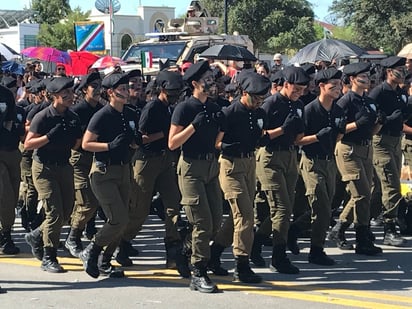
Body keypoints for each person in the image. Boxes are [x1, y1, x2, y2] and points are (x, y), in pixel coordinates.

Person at [115, 70, 190, 277]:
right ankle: (122, 242)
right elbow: (140, 137)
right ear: (163, 89)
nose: (176, 95)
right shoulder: (152, 107)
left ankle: (173, 251)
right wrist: (163, 135)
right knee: (139, 209)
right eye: (173, 91)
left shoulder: (169, 108)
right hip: (146, 160)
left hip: (166, 159)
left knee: (173, 205)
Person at [78, 73, 141, 278]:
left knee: (123, 220)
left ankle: (104, 261)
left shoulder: (130, 113)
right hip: (104, 172)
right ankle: (92, 250)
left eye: (126, 88)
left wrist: (135, 141)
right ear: (110, 93)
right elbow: (87, 143)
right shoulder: (102, 115)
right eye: (121, 89)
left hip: (124, 169)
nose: (125, 92)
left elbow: (134, 140)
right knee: (118, 218)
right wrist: (109, 146)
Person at [169, 60, 222, 293]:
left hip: (211, 165)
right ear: (195, 84)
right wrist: (192, 127)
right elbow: (172, 143)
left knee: (216, 220)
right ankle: (198, 272)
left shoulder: (213, 106)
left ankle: (185, 250)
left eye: (212, 79)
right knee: (202, 221)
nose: (211, 83)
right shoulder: (185, 108)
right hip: (191, 167)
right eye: (207, 80)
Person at [216, 71, 271, 283]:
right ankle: (241, 264)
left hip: (249, 163)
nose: (259, 102)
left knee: (236, 216)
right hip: (231, 165)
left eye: (262, 99)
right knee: (246, 215)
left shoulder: (259, 114)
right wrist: (227, 145)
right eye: (256, 98)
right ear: (244, 93)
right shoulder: (230, 113)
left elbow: (260, 135)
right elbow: (216, 143)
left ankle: (216, 253)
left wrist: (263, 139)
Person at [24, 77, 82, 273]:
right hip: (44, 167)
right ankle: (49, 256)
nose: (70, 97)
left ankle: (36, 235)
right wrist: (49, 137)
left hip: (64, 166)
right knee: (54, 213)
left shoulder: (72, 116)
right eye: (65, 94)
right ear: (54, 96)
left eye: (71, 93)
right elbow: (28, 144)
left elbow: (76, 143)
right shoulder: (43, 117)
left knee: (66, 212)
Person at [254, 66, 309, 274]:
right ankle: (278, 256)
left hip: (290, 155)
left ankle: (257, 241)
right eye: (295, 89)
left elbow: (298, 136)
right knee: (282, 208)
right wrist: (282, 129)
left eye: (302, 90)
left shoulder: (300, 105)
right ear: (285, 85)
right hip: (270, 156)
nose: (299, 94)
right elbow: (260, 137)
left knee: (284, 208)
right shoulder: (271, 103)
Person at [295, 67, 346, 266]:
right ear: (321, 87)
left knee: (326, 207)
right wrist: (316, 137)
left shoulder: (338, 109)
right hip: (311, 161)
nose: (338, 89)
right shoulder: (310, 110)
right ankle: (316, 250)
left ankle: (294, 229)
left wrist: (341, 130)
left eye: (340, 85)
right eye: (333, 86)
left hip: (329, 160)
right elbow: (298, 141)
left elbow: (338, 137)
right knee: (322, 207)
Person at [331, 62, 382, 255]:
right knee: (361, 193)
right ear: (352, 80)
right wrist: (356, 124)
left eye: (368, 77)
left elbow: (372, 130)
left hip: (366, 148)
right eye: (362, 77)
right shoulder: (346, 101)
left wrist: (379, 123)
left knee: (365, 193)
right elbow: (339, 130)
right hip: (349, 149)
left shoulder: (367, 100)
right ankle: (361, 236)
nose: (367, 79)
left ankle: (341, 228)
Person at [368, 56, 409, 246]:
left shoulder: (399, 93)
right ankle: (389, 229)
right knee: (391, 184)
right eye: (398, 69)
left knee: (379, 188)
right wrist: (384, 119)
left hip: (395, 141)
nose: (403, 72)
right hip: (380, 141)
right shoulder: (378, 92)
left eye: (404, 68)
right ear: (388, 72)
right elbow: (369, 117)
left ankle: (358, 223)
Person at [64, 72, 103, 258]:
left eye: (99, 85)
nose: (97, 90)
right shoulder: (77, 111)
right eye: (93, 86)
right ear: (85, 90)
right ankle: (72, 237)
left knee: (92, 200)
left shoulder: (102, 109)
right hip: (80, 159)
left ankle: (81, 231)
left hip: (97, 159)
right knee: (87, 201)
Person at [0, 85, 26, 254]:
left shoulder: (5, 94)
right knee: (6, 195)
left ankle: (5, 232)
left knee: (13, 194)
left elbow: (10, 121)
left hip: (10, 150)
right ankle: (5, 236)